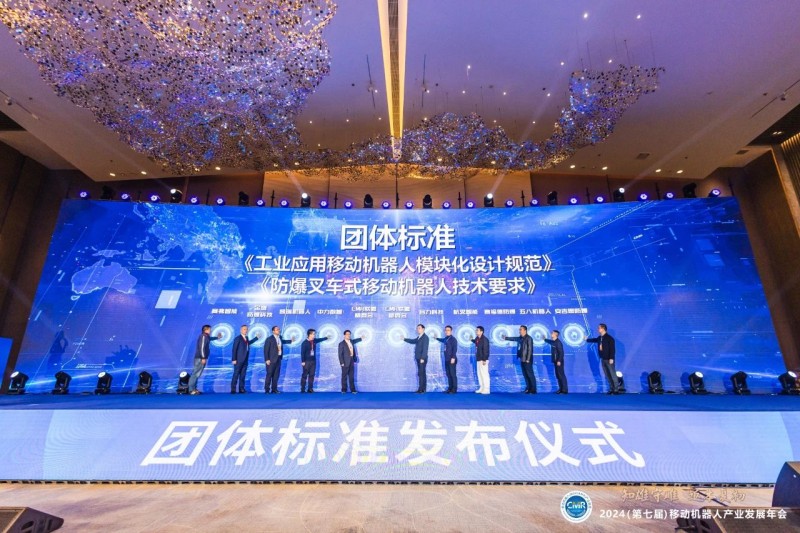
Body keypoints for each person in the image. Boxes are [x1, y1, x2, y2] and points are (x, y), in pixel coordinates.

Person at [585, 323, 619, 394]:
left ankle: (616, 389)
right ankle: (611, 389)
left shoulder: (610, 338)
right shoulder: (600, 338)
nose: (598, 329)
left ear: (603, 329)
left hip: (609, 359)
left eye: (599, 328)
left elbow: (612, 349)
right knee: (607, 375)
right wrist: (587, 339)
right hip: (603, 359)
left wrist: (611, 358)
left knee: (612, 374)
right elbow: (594, 340)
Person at [189, 324, 221, 395]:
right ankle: (191, 390)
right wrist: (203, 357)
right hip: (200, 358)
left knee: (197, 374)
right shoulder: (203, 336)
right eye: (209, 329)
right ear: (205, 330)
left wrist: (217, 337)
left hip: (201, 358)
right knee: (195, 373)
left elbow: (210, 338)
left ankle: (194, 389)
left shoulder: (206, 336)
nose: (211, 330)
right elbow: (202, 347)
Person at [503, 325, 535, 393]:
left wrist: (528, 359)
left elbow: (530, 350)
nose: (519, 331)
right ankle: (528, 388)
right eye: (519, 330)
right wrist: (506, 338)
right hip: (522, 359)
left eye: (521, 329)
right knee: (525, 374)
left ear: (525, 330)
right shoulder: (520, 338)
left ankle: (533, 390)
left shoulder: (529, 338)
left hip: (527, 360)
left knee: (530, 375)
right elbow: (514, 338)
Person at [263, 325, 294, 394]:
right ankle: (267, 389)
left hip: (278, 359)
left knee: (276, 375)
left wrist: (290, 341)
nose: (278, 330)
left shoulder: (280, 338)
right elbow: (266, 350)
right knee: (269, 374)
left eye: (279, 329)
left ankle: (274, 389)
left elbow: (283, 342)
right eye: (277, 329)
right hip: (271, 360)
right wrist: (267, 359)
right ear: (273, 331)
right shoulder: (269, 339)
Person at [231, 324, 259, 393]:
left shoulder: (246, 337)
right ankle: (233, 389)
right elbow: (234, 349)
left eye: (246, 329)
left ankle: (241, 389)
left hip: (245, 359)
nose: (246, 330)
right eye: (244, 329)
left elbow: (248, 343)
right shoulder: (237, 338)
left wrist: (256, 338)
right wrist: (234, 359)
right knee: (236, 374)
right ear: (241, 330)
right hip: (238, 360)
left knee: (243, 375)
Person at [300, 328, 329, 393]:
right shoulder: (304, 343)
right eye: (313, 334)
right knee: (304, 375)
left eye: (314, 334)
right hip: (306, 362)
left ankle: (310, 388)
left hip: (313, 361)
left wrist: (326, 338)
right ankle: (302, 388)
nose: (314, 335)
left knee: (312, 375)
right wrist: (303, 361)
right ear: (309, 334)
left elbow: (319, 339)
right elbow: (302, 353)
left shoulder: (314, 341)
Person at [404, 324, 430, 393]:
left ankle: (421, 389)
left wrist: (423, 358)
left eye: (419, 328)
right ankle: (423, 389)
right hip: (418, 358)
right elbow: (413, 341)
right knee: (421, 373)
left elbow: (425, 349)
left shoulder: (425, 337)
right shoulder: (419, 337)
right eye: (417, 328)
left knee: (421, 373)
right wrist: (404, 339)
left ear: (423, 329)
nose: (418, 329)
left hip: (422, 359)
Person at [435, 325, 458, 393]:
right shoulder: (446, 338)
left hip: (452, 359)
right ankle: (450, 388)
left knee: (453, 375)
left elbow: (455, 349)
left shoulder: (453, 339)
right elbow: (442, 340)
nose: (447, 331)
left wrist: (453, 358)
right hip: (447, 359)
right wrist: (436, 338)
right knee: (448, 374)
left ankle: (454, 389)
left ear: (451, 331)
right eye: (446, 330)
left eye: (448, 330)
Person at [544, 329, 567, 394]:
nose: (551, 333)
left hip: (559, 362)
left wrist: (559, 360)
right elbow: (550, 342)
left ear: (555, 334)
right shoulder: (554, 342)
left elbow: (561, 352)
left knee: (561, 375)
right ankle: (561, 389)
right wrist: (545, 339)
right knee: (558, 375)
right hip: (555, 361)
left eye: (552, 333)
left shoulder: (558, 343)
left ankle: (564, 390)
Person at [473, 326, 490, 394]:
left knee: (484, 374)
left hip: (483, 359)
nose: (476, 331)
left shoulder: (485, 339)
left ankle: (486, 389)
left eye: (477, 330)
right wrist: (471, 340)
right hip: (478, 358)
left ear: (481, 332)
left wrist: (484, 359)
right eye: (476, 330)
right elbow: (476, 343)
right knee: (479, 374)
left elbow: (486, 350)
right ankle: (482, 388)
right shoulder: (477, 338)